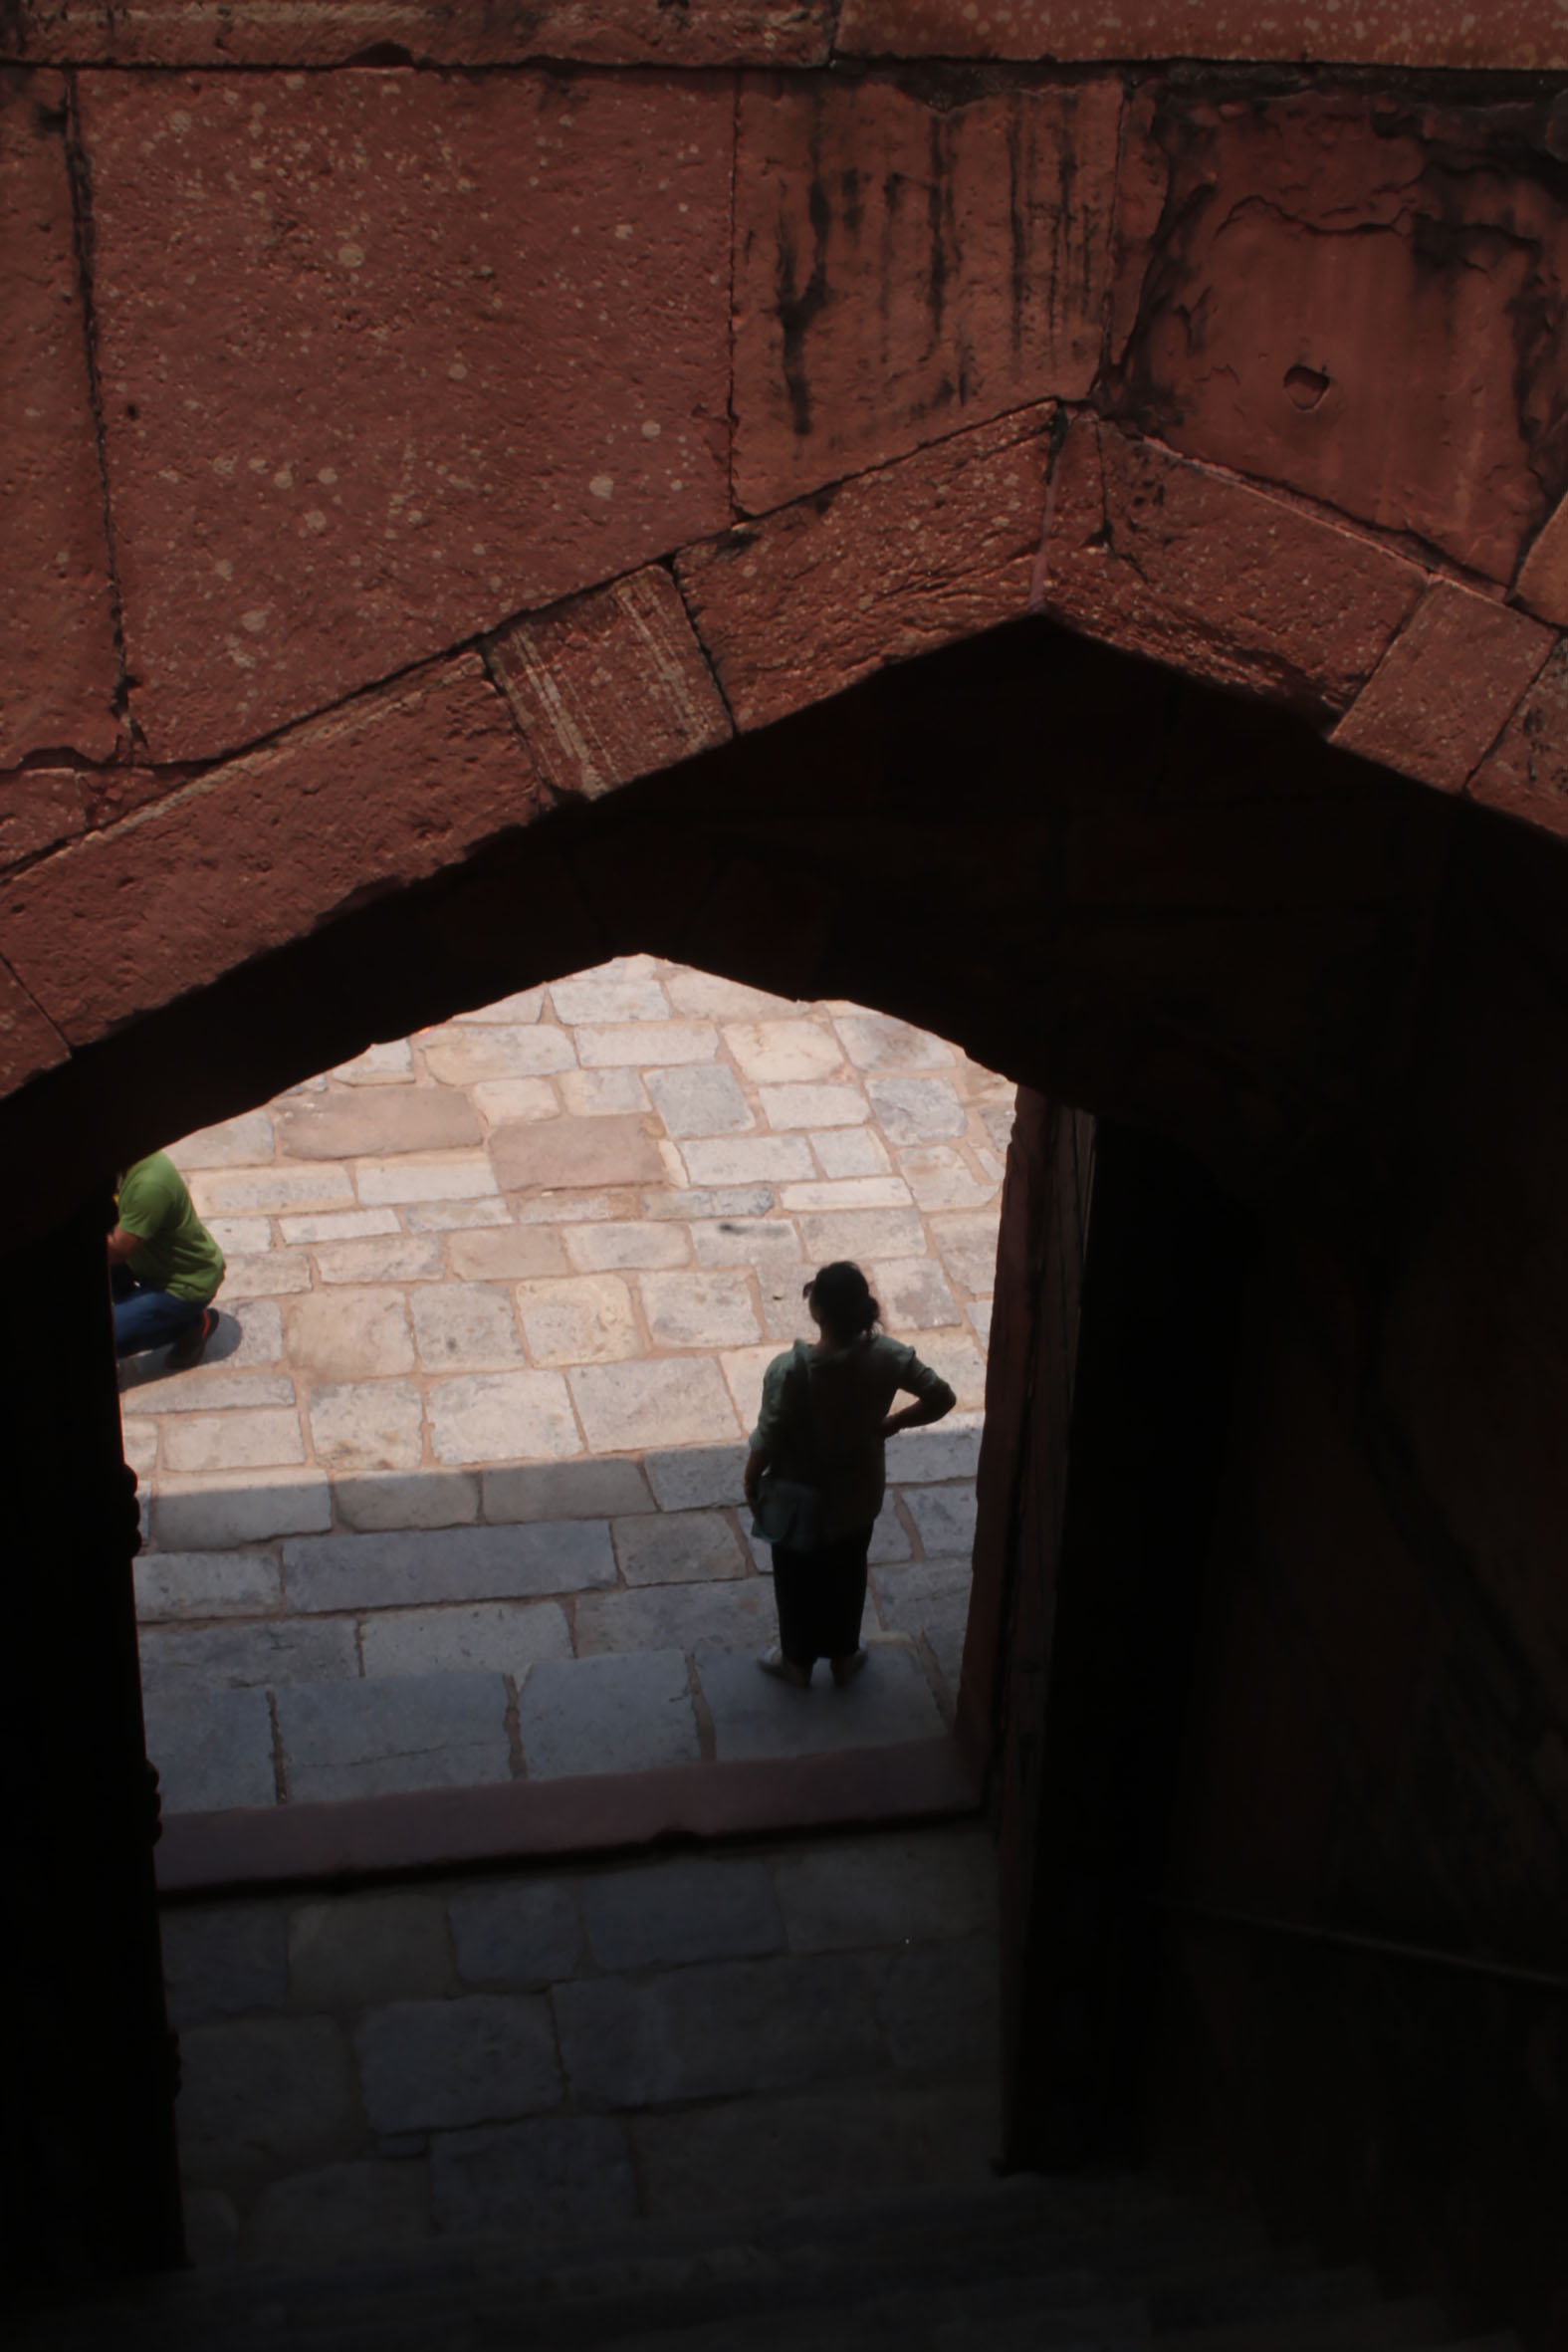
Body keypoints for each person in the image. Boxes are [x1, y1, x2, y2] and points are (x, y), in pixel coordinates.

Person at [745, 1261, 957, 1689]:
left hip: (797, 1500)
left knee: (796, 1582)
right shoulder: (889, 1358)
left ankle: (797, 1663)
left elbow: (768, 1437)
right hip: (858, 1496)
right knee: (847, 1574)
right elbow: (941, 1397)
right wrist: (891, 1424)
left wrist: (750, 1481)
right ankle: (843, 1658)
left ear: (817, 1311)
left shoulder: (789, 1370)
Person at [108, 1151, 225, 1362]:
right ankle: (138, 1312)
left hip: (185, 1284)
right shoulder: (133, 1164)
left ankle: (192, 1325)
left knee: (106, 1338)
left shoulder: (149, 1185)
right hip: (151, 1264)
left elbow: (117, 1251)